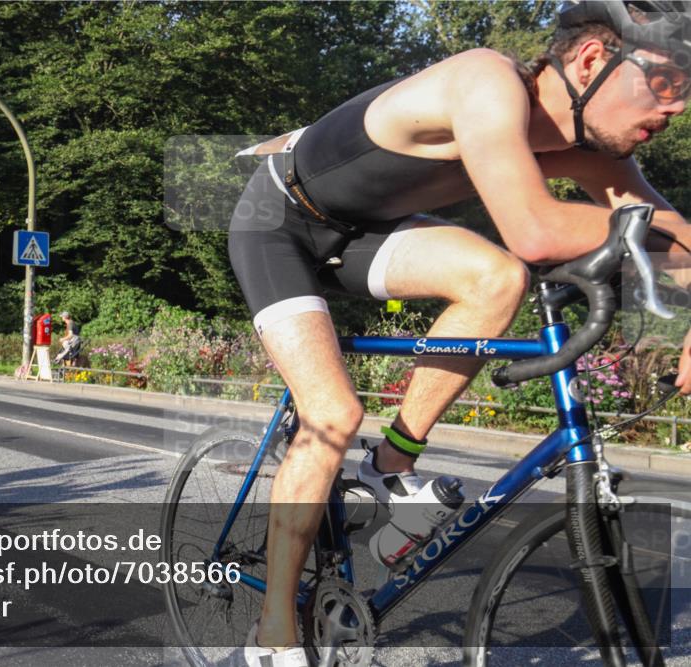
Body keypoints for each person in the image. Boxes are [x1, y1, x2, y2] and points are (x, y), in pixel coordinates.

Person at [228, 2, 691, 664]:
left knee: (496, 278)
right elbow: (535, 229)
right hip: (276, 216)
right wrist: (664, 236)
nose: (677, 107)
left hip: (362, 233)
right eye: (670, 82)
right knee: (331, 411)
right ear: (593, 60)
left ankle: (390, 467)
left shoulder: (588, 153)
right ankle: (272, 631)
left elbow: (672, 235)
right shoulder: (485, 80)